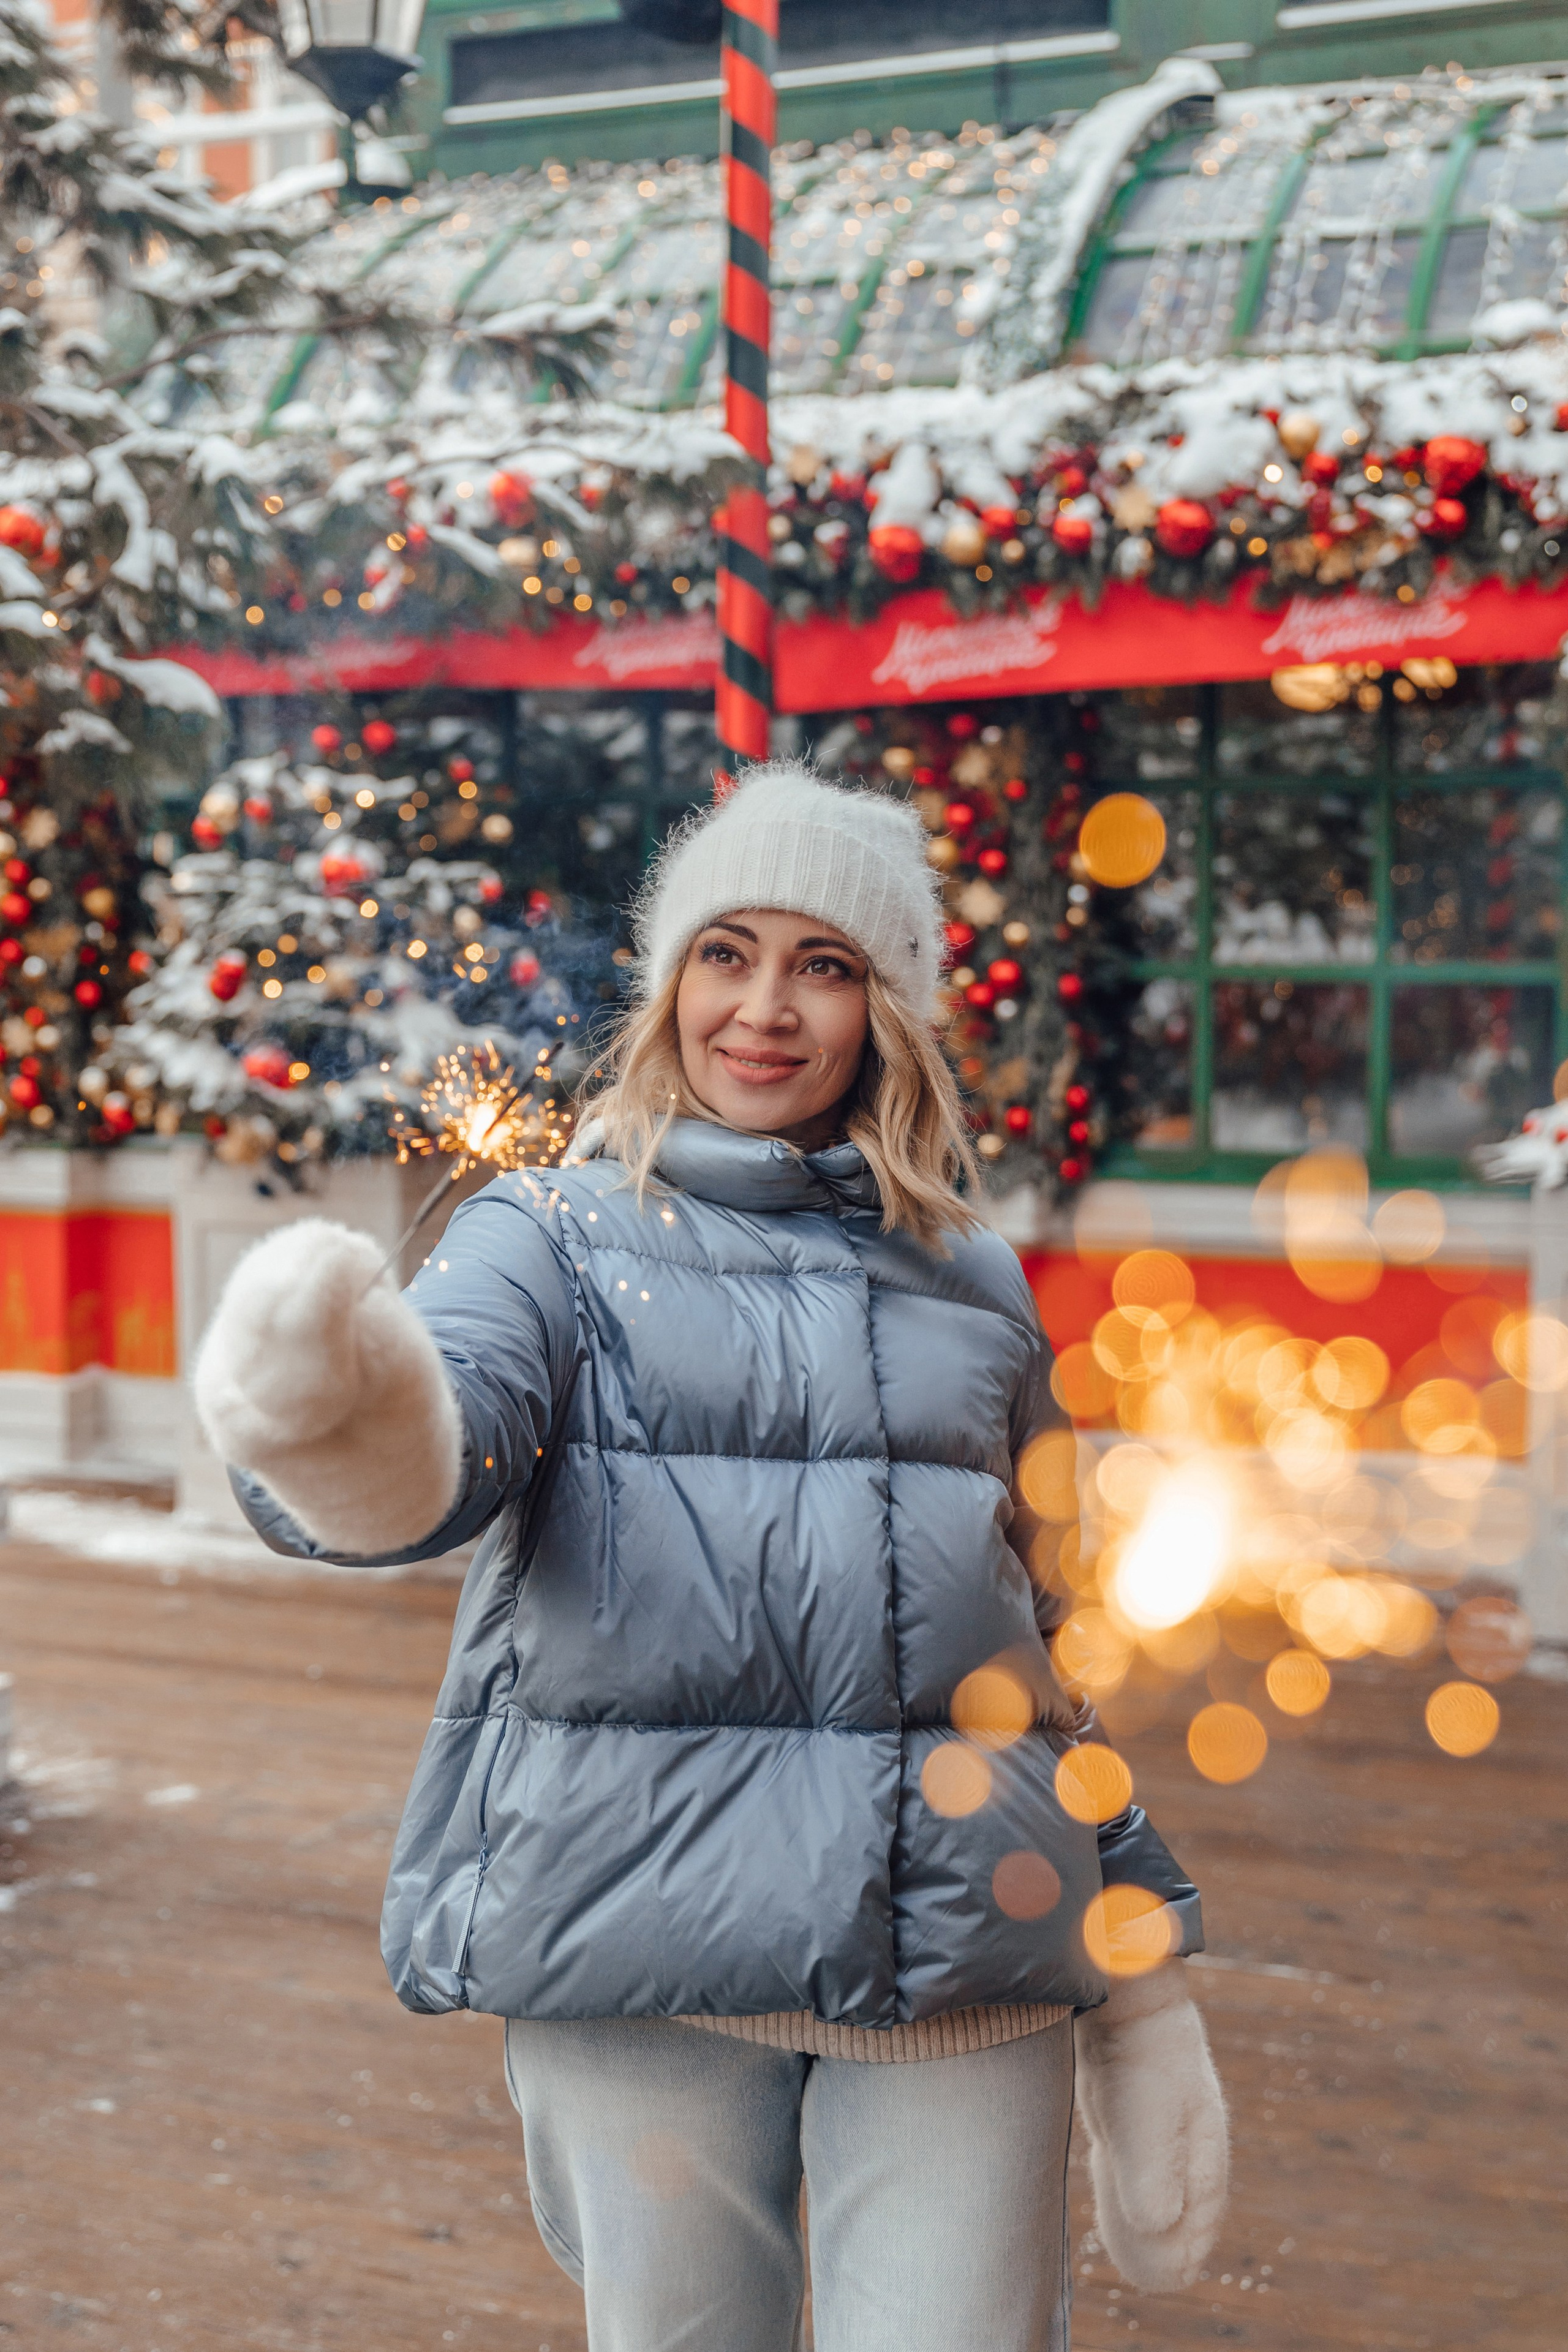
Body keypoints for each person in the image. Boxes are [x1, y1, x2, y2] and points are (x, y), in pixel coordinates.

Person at [195, 763, 1228, 2352]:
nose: (765, 1008)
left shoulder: (971, 1272)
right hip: (647, 1952)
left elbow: (1038, 1641)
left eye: (824, 964)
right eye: (727, 953)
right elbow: (440, 1458)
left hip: (966, 1949)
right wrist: (339, 1412)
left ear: (887, 1005)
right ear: (671, 977)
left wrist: (1143, 1956)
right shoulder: (547, 1235)